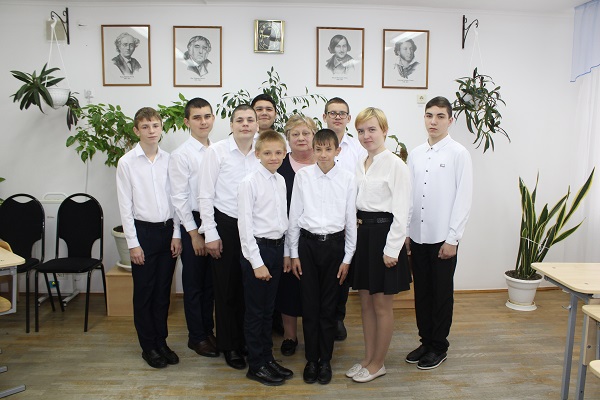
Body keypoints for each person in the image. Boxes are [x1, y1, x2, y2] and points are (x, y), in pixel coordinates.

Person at [405, 96, 473, 370]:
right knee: (422, 293)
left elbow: (463, 199)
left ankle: (439, 346)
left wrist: (453, 238)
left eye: (440, 116)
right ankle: (426, 341)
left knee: (441, 294)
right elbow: (409, 197)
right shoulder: (416, 153)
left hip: (444, 239)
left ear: (450, 120)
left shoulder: (459, 153)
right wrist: (407, 232)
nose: (433, 121)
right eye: (429, 115)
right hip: (418, 236)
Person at [345, 108, 412, 383]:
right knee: (365, 304)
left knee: (382, 306)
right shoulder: (361, 162)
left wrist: (391, 249)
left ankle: (378, 363)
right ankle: (368, 358)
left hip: (384, 237)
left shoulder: (396, 165)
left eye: (372, 129)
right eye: (361, 131)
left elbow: (403, 211)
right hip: (363, 236)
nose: (366, 135)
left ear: (384, 130)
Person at [288, 128, 357, 385]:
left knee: (329, 307)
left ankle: (325, 359)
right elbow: (294, 216)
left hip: (335, 247)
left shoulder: (348, 178)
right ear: (313, 150)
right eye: (318, 149)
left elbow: (350, 219)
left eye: (329, 149)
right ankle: (311, 359)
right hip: (308, 246)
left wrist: (348, 257)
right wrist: (293, 253)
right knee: (309, 306)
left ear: (337, 150)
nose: (323, 154)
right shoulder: (303, 176)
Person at [116, 107, 182, 369]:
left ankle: (161, 341)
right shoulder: (127, 162)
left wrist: (177, 234)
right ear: (136, 130)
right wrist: (133, 244)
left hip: (167, 232)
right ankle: (148, 346)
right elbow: (125, 206)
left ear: (161, 128)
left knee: (163, 292)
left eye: (155, 125)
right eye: (145, 127)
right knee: (145, 292)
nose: (151, 131)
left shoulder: (170, 160)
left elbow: (177, 199)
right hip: (142, 233)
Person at [198, 104, 259, 370]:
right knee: (226, 289)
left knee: (249, 288)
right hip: (226, 225)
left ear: (257, 124)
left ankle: (245, 340)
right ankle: (229, 345)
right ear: (231, 125)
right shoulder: (217, 152)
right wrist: (210, 233)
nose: (245, 124)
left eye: (250, 120)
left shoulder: (262, 150)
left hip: (255, 227)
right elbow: (205, 194)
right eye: (240, 120)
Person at [238, 130, 294, 386]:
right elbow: (245, 227)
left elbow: (283, 220)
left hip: (276, 249)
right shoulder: (249, 182)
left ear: (284, 153)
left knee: (268, 310)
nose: (273, 157)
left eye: (278, 152)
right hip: (257, 252)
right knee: (255, 312)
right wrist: (257, 263)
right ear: (257, 154)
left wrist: (285, 253)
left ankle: (267, 358)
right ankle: (256, 364)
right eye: (268, 153)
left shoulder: (280, 180)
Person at [168, 98, 218, 359]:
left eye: (207, 116)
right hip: (194, 224)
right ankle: (196, 337)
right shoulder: (181, 154)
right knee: (194, 284)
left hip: (213, 221)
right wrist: (193, 233)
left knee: (210, 284)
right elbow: (178, 198)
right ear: (187, 122)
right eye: (197, 117)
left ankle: (208, 331)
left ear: (213, 118)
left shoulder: (217, 150)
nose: (203, 121)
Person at [323, 97, 367, 341]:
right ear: (325, 117)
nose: (337, 117)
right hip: (319, 221)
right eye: (333, 113)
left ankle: (337, 318)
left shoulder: (358, 149)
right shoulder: (317, 145)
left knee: (342, 272)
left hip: (347, 220)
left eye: (342, 113)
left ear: (349, 118)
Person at [275, 114, 317, 357]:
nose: (301, 138)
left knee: (315, 288)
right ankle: (290, 336)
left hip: (318, 238)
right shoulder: (279, 166)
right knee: (289, 287)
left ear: (314, 136)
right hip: (286, 238)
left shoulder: (325, 163)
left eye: (306, 133)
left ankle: (315, 333)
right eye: (295, 134)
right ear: (287, 138)